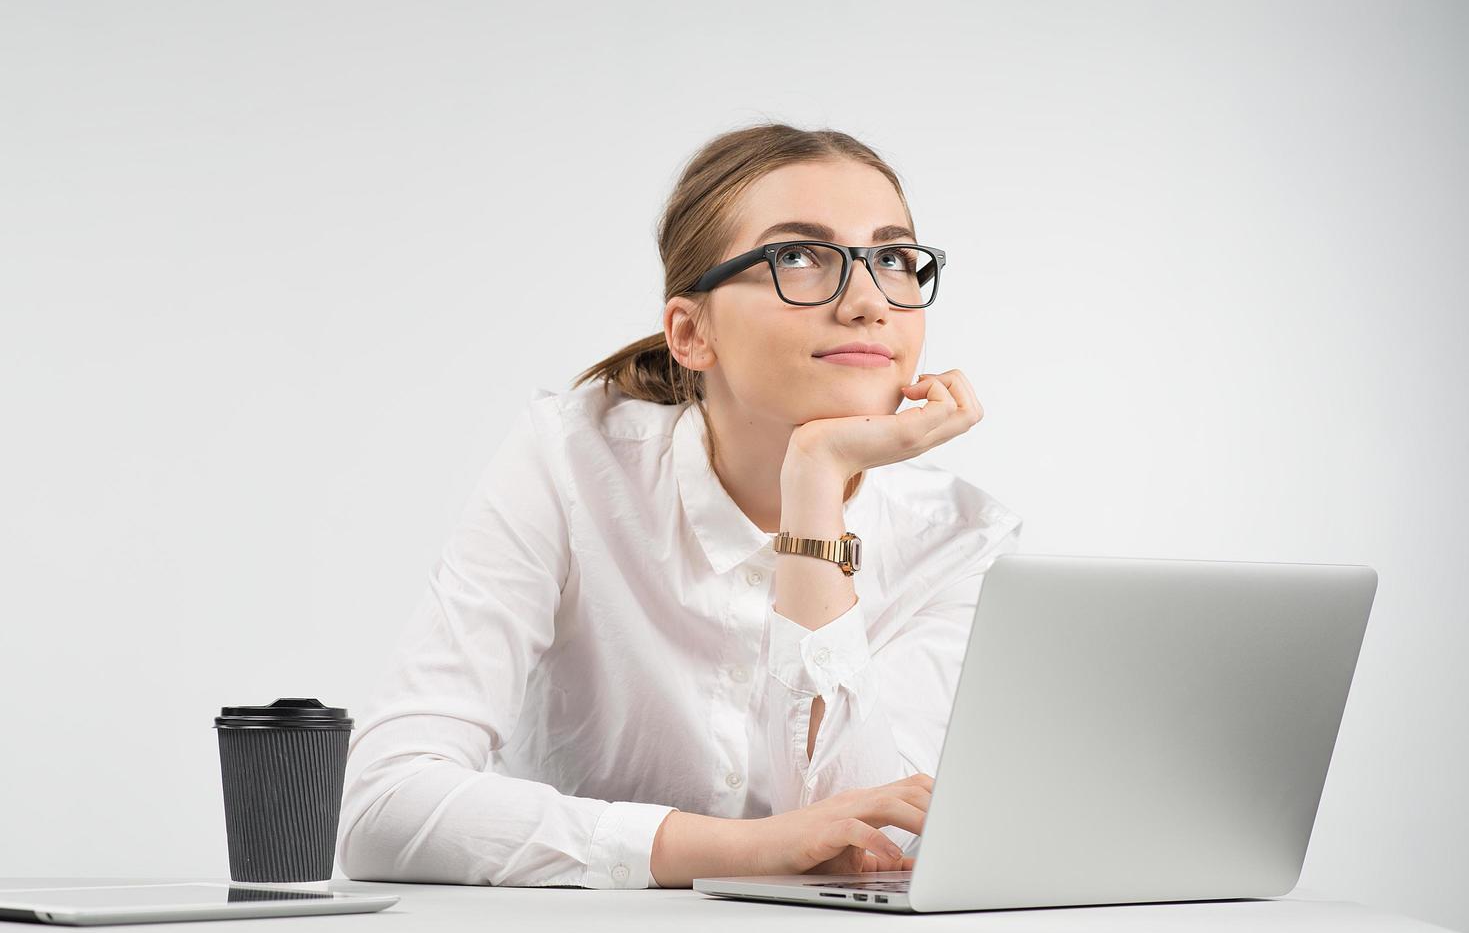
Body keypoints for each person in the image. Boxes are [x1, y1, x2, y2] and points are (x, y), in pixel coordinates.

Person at [336, 122, 1023, 890]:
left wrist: (815, 486)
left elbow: (865, 849)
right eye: (797, 255)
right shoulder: (568, 462)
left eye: (892, 258)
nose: (868, 302)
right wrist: (740, 851)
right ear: (690, 333)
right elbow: (384, 806)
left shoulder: (962, 539)